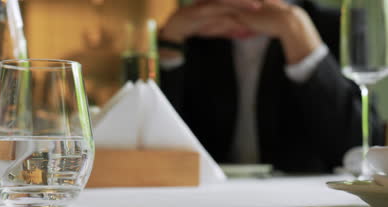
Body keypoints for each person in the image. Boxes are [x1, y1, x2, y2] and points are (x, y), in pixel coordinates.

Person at [158, 0, 385, 173]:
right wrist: (171, 41)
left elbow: (363, 153)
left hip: (308, 204)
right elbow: (160, 146)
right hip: (204, 199)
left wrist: (297, 34)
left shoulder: (333, 25)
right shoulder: (194, 28)